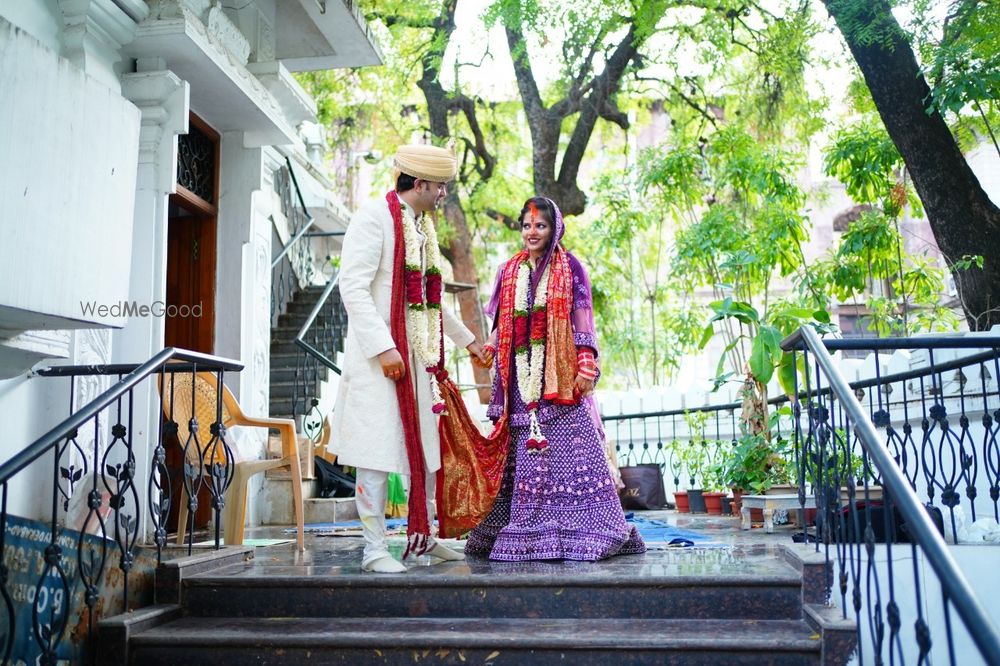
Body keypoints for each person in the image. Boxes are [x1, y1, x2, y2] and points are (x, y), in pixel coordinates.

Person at [330, 143, 487, 573]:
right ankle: (373, 550)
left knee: (428, 454)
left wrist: (469, 341)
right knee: (376, 454)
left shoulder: (421, 229)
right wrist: (384, 348)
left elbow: (431, 305)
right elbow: (353, 288)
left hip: (419, 363)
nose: (443, 195)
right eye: (440, 187)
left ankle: (422, 538)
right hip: (380, 361)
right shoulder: (373, 219)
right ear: (419, 184)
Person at [465, 196, 645, 561]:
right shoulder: (509, 271)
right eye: (527, 225)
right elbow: (503, 324)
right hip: (520, 383)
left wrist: (586, 365)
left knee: (572, 454)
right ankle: (525, 531)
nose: (532, 232)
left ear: (554, 228)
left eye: (540, 226)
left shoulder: (571, 267)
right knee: (522, 457)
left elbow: (583, 318)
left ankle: (583, 531)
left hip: (561, 384)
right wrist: (490, 345)